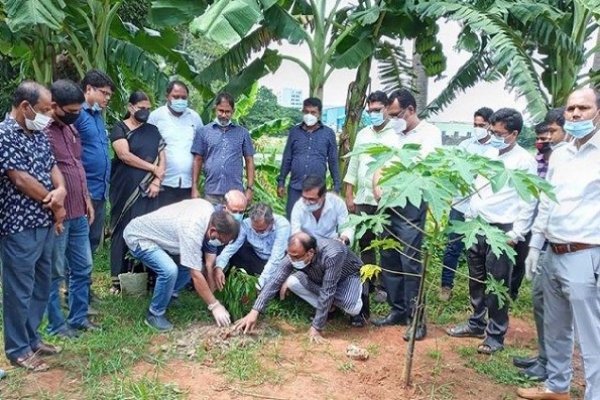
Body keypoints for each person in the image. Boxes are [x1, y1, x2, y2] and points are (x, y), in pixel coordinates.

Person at [517, 88, 600, 400]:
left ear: (598, 113)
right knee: (555, 327)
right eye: (571, 109)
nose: (576, 114)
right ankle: (557, 387)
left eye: (584, 107)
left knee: (592, 335)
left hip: (586, 253)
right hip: (553, 251)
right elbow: (547, 203)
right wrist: (535, 246)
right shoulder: (560, 154)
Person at [446, 108, 537, 355]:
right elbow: (478, 187)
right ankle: (476, 322)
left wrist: (516, 234)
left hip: (503, 230)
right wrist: (469, 217)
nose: (493, 135)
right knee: (476, 278)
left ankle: (495, 334)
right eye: (491, 130)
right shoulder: (489, 153)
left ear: (514, 134)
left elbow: (528, 201)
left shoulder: (523, 161)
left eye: (499, 132)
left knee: (497, 284)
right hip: (477, 225)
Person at [0, 81, 67, 371]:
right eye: (43, 109)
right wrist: (56, 203)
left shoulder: (38, 132)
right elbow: (19, 178)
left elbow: (53, 167)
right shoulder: (3, 135)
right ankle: (17, 349)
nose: (48, 115)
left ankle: (32, 337)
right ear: (25, 106)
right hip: (19, 225)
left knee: (42, 282)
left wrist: (61, 190)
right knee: (19, 289)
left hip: (45, 222)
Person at [371, 89, 442, 342]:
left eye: (396, 114)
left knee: (410, 262)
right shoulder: (393, 134)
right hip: (387, 203)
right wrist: (376, 185)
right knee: (389, 256)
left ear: (410, 110)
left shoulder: (430, 134)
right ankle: (398, 310)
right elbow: (379, 164)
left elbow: (424, 170)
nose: (392, 119)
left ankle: (417, 319)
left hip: (411, 204)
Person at [512, 108, 568, 383]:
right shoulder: (547, 159)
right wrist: (534, 244)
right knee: (540, 300)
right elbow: (539, 202)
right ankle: (545, 359)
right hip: (546, 240)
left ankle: (554, 367)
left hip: (569, 244)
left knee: (557, 309)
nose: (545, 140)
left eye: (551, 133)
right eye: (543, 135)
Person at [124, 200, 240, 332]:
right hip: (139, 237)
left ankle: (169, 295)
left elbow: (200, 265)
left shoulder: (209, 213)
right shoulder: (193, 229)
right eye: (221, 240)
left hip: (159, 237)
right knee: (169, 270)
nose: (220, 243)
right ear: (213, 230)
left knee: (188, 264)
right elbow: (196, 275)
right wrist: (215, 305)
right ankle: (154, 314)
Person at [234, 233, 369, 338]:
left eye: (296, 257)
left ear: (310, 252)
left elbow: (328, 291)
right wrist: (254, 311)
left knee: (353, 308)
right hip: (321, 280)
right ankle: (329, 310)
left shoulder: (333, 254)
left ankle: (340, 304)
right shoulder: (293, 255)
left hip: (347, 278)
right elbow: (274, 281)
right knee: (293, 282)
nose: (292, 261)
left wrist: (316, 327)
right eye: (290, 256)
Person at [45, 79, 99, 339]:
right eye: (72, 111)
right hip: (58, 214)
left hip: (78, 210)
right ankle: (56, 325)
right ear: (54, 105)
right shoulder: (42, 131)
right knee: (55, 272)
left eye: (79, 110)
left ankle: (78, 318)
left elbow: (77, 165)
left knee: (83, 267)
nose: (77, 115)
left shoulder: (69, 129)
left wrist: (86, 198)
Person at [109, 91, 166, 294]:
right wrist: (152, 169)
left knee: (147, 231)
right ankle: (118, 281)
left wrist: (157, 180)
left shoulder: (153, 130)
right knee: (122, 230)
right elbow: (124, 155)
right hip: (123, 189)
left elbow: (162, 158)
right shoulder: (119, 128)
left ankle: (147, 279)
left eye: (148, 108)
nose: (145, 111)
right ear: (130, 107)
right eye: (141, 107)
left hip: (150, 191)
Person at [439, 107, 496, 301]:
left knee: (483, 250)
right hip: (461, 204)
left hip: (483, 206)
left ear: (490, 125)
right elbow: (454, 171)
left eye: (482, 125)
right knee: (452, 247)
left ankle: (483, 288)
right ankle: (446, 286)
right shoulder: (465, 146)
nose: (478, 128)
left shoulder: (496, 149)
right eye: (475, 125)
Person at [344, 91, 395, 266]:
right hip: (363, 197)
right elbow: (354, 163)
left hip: (386, 198)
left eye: (377, 110)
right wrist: (349, 193)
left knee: (386, 244)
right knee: (365, 242)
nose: (374, 114)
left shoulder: (396, 135)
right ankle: (369, 283)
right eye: (370, 111)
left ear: (387, 108)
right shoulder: (363, 134)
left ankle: (385, 286)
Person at [277, 97, 341, 219]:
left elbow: (333, 161)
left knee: (315, 222)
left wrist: (336, 185)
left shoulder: (328, 133)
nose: (309, 115)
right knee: (293, 220)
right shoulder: (295, 132)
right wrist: (281, 181)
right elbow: (287, 157)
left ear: (320, 114)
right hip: (296, 187)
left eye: (313, 112)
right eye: (306, 112)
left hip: (317, 190)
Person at [74, 69, 114, 254]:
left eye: (109, 95)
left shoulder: (98, 117)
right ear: (89, 89)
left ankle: (82, 281)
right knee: (77, 241)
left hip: (100, 190)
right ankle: (69, 281)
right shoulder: (76, 114)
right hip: (83, 189)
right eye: (104, 93)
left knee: (92, 239)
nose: (107, 98)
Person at [192, 93, 255, 205]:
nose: (224, 115)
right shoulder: (203, 132)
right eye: (221, 111)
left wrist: (250, 188)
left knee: (234, 222)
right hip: (212, 193)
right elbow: (197, 160)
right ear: (215, 109)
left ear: (233, 111)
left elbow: (249, 161)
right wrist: (194, 187)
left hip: (235, 193)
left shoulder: (242, 133)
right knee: (212, 222)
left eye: (228, 112)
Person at [148, 80, 203, 206]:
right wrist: (155, 179)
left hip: (188, 185)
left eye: (184, 98)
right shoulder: (156, 117)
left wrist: (195, 186)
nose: (180, 100)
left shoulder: (195, 118)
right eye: (176, 97)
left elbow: (200, 152)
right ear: (167, 96)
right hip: (162, 184)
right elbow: (147, 148)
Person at [215, 202, 290, 290]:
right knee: (240, 251)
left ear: (271, 222)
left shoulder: (282, 226)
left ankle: (270, 282)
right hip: (257, 257)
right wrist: (219, 267)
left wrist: (258, 286)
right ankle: (232, 279)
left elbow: (275, 259)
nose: (257, 233)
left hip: (277, 261)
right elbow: (232, 247)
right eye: (255, 230)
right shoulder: (246, 224)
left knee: (275, 286)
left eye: (261, 231)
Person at [291, 175, 353, 245]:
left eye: (311, 199)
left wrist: (344, 238)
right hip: (307, 245)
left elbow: (346, 227)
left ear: (323, 197)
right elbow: (295, 233)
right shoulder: (298, 206)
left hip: (331, 244)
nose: (307, 202)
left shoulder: (337, 203)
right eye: (305, 198)